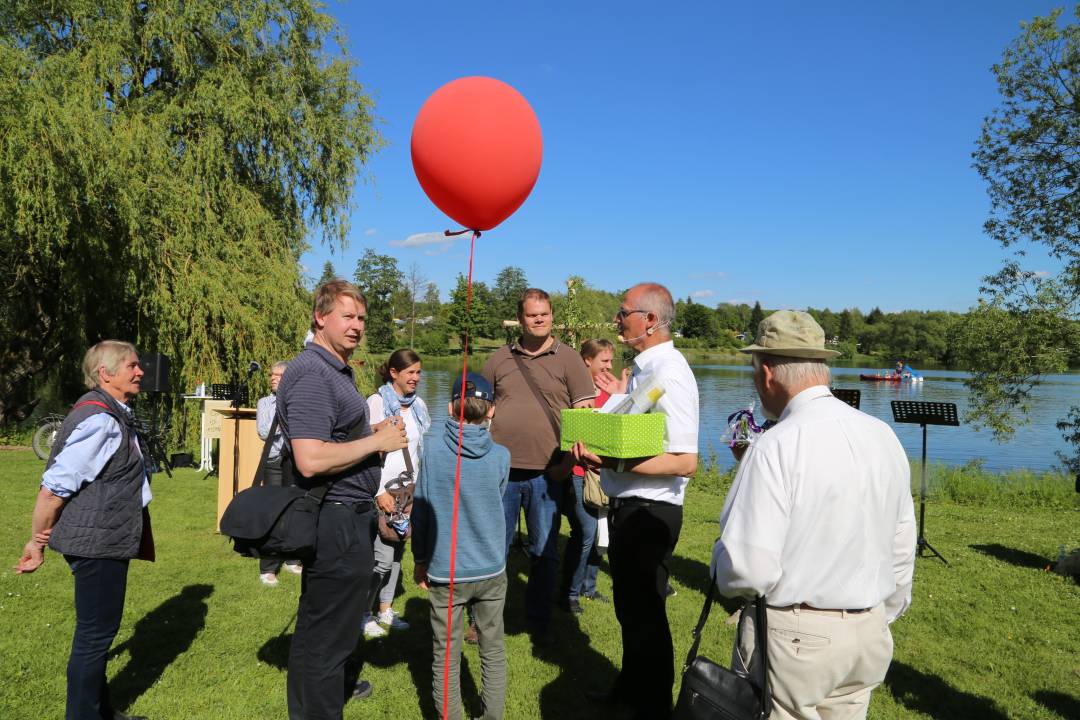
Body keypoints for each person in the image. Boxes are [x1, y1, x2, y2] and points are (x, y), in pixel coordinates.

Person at [711, 310, 917, 720]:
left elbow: (747, 569)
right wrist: (881, 612)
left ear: (767, 373)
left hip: (796, 634)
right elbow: (901, 544)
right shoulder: (882, 435)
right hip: (868, 629)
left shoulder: (775, 444)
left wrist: (719, 568)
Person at [276, 279, 409, 720]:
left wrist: (369, 434)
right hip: (334, 518)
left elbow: (328, 437)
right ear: (321, 316)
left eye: (362, 319)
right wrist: (377, 444)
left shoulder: (332, 369)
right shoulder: (314, 373)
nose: (357, 327)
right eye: (348, 317)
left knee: (329, 627)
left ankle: (327, 695)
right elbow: (311, 458)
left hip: (346, 515)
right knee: (324, 632)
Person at [572, 283, 699, 720]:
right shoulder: (647, 369)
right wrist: (611, 407)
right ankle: (630, 692)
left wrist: (610, 462)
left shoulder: (670, 372)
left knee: (645, 613)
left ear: (649, 319)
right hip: (632, 506)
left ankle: (653, 706)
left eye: (622, 312)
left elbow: (685, 459)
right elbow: (637, 428)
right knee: (631, 609)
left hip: (651, 511)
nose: (616, 319)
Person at [14, 340, 155, 720]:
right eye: (132, 366)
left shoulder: (109, 412)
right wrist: (35, 541)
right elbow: (53, 489)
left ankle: (99, 710)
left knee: (97, 633)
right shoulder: (100, 420)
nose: (140, 371)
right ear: (105, 374)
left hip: (101, 537)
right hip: (98, 542)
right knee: (94, 637)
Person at [481, 288, 596, 643]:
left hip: (548, 474)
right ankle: (486, 622)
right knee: (492, 550)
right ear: (520, 318)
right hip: (500, 473)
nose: (539, 319)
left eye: (544, 313)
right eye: (532, 315)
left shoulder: (570, 359)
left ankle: (539, 622)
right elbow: (476, 408)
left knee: (544, 552)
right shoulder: (499, 359)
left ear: (551, 316)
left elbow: (585, 415)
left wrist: (565, 465)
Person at [412, 372, 510, 720]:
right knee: (493, 648)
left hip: (447, 573)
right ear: (491, 411)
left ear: (451, 408)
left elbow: (420, 511)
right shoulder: (501, 456)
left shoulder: (433, 449)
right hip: (492, 569)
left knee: (447, 653)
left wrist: (420, 559)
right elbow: (495, 500)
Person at [362, 348, 431, 639]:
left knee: (396, 552)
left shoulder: (418, 406)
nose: (416, 377)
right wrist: (378, 491)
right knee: (378, 557)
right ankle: (362, 613)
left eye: (418, 372)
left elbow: (418, 450)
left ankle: (385, 609)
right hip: (383, 489)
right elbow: (365, 451)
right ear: (394, 373)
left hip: (408, 490)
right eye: (410, 372)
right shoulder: (376, 403)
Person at [559, 338, 616, 614]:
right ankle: (569, 592)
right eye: (604, 361)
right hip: (579, 472)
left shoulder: (611, 391)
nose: (610, 366)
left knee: (600, 534)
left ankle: (588, 587)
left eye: (611, 361)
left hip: (604, 473)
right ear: (587, 362)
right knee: (586, 531)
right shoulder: (575, 391)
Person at [255, 360, 301, 586]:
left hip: (294, 461)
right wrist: (288, 422)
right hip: (273, 461)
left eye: (278, 376)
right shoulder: (264, 402)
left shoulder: (298, 401)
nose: (273, 378)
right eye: (271, 375)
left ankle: (291, 559)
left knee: (294, 510)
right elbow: (264, 431)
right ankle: (268, 567)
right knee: (273, 513)